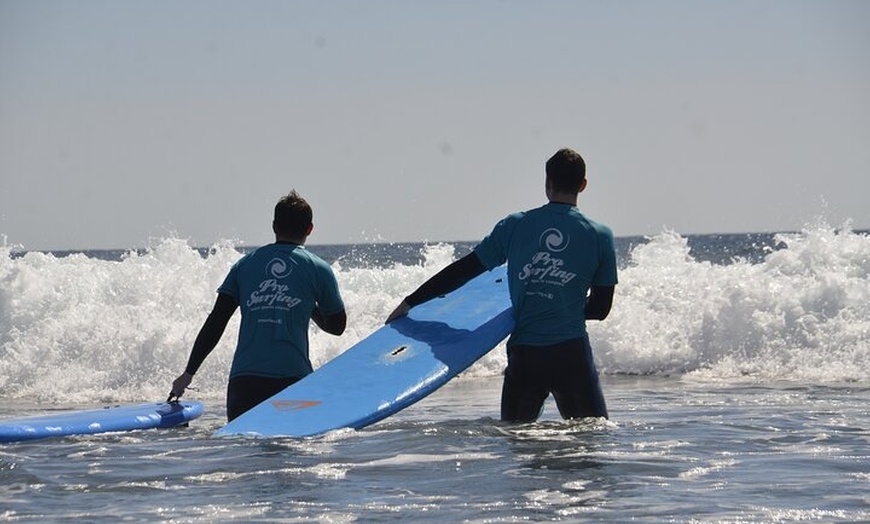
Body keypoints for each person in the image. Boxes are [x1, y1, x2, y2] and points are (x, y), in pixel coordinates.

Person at [386, 148, 617, 422]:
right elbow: (601, 308)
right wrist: (561, 307)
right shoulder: (599, 235)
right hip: (571, 356)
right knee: (590, 442)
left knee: (516, 444)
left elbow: (465, 270)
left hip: (525, 358)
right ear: (583, 185)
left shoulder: (515, 226)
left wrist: (411, 301)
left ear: (547, 183)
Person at [169, 190, 347, 421]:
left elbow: (217, 320)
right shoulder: (318, 269)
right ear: (309, 229)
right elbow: (337, 326)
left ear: (274, 226)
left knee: (244, 451)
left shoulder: (245, 266)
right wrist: (308, 304)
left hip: (245, 383)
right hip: (293, 381)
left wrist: (188, 374)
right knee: (296, 452)